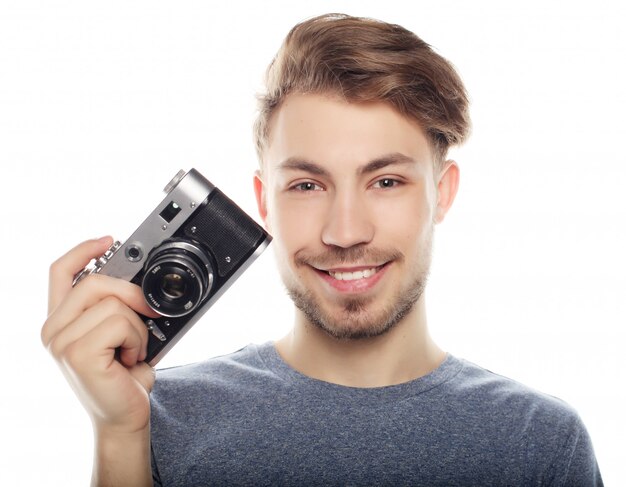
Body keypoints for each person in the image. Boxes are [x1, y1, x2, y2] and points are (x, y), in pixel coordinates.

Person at [41, 13, 602, 486]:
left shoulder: (541, 444)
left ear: (442, 194)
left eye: (385, 182)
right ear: (264, 202)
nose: (346, 231)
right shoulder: (156, 421)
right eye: (307, 185)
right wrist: (117, 434)